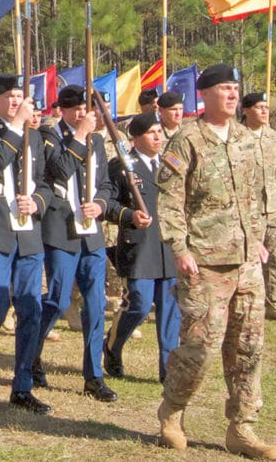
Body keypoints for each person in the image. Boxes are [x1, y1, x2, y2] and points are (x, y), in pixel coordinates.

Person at [154, 65, 276, 460]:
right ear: (204, 94)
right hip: (204, 263)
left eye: (235, 89)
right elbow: (170, 201)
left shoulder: (247, 137)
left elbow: (259, 193)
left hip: (245, 262)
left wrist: (259, 239)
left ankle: (242, 427)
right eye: (224, 88)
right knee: (200, 349)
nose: (232, 95)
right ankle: (172, 411)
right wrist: (180, 248)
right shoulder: (187, 140)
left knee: (248, 348)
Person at [0, 74, 59, 415]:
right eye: (10, 95)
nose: (17, 101)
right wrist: (17, 126)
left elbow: (48, 182)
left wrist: (38, 202)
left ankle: (22, 386)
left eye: (20, 95)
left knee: (31, 309)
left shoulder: (35, 136)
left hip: (28, 232)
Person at [34, 84, 117, 402]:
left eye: (86, 109)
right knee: (56, 300)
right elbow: (59, 169)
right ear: (62, 110)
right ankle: (32, 353)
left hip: (91, 232)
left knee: (96, 303)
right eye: (75, 109)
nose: (82, 114)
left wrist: (101, 204)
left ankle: (93, 375)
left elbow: (106, 185)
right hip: (60, 230)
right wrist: (80, 133)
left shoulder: (97, 141)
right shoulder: (49, 136)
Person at [101, 112, 178, 383]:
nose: (158, 137)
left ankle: (168, 371)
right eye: (151, 132)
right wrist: (129, 215)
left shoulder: (170, 163)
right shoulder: (122, 165)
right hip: (140, 246)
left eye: (159, 131)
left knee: (170, 311)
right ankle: (112, 344)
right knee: (140, 305)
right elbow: (106, 204)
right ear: (135, 138)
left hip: (169, 246)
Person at [242, 93, 276, 323]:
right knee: (249, 259)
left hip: (272, 206)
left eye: (266, 107)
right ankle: (249, 302)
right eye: (259, 107)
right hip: (248, 208)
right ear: (245, 110)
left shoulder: (273, 137)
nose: (264, 111)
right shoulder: (237, 137)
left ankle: (275, 302)